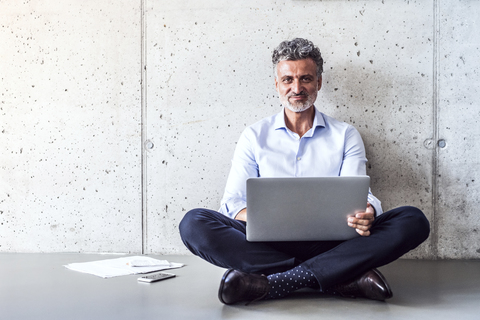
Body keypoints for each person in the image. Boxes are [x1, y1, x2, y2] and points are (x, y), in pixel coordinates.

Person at [179, 38, 430, 305]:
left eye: (306, 79)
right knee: (194, 224)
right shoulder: (254, 135)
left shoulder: (345, 134)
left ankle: (274, 282)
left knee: (412, 220)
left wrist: (367, 212)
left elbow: (361, 194)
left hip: (332, 241)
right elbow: (232, 203)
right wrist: (270, 219)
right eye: (288, 80)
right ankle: (341, 277)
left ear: (319, 83)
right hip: (267, 243)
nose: (296, 88)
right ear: (277, 85)